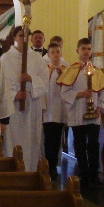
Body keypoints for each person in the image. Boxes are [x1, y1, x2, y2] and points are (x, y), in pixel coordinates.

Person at [57, 37, 104, 188]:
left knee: (93, 144)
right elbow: (64, 93)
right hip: (77, 113)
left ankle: (94, 174)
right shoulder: (70, 71)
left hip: (94, 115)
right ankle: (83, 174)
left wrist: (100, 107)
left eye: (88, 49)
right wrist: (81, 94)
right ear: (77, 50)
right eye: (83, 49)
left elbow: (103, 93)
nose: (86, 51)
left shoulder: (97, 71)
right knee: (79, 144)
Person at [0, 26, 47, 171]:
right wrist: (14, 94)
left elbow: (45, 82)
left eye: (27, 36)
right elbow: (1, 84)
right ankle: (13, 170)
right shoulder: (5, 58)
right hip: (12, 106)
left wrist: (31, 79)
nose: (24, 39)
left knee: (31, 139)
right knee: (13, 139)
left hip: (31, 103)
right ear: (14, 38)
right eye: (21, 36)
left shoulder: (37, 58)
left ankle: (31, 170)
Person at [41, 41, 67, 180]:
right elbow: (42, 88)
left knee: (57, 139)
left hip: (60, 110)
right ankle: (48, 165)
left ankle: (54, 166)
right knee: (48, 139)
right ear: (48, 55)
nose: (56, 55)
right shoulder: (44, 69)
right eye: (53, 52)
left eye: (58, 52)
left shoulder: (66, 70)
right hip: (48, 110)